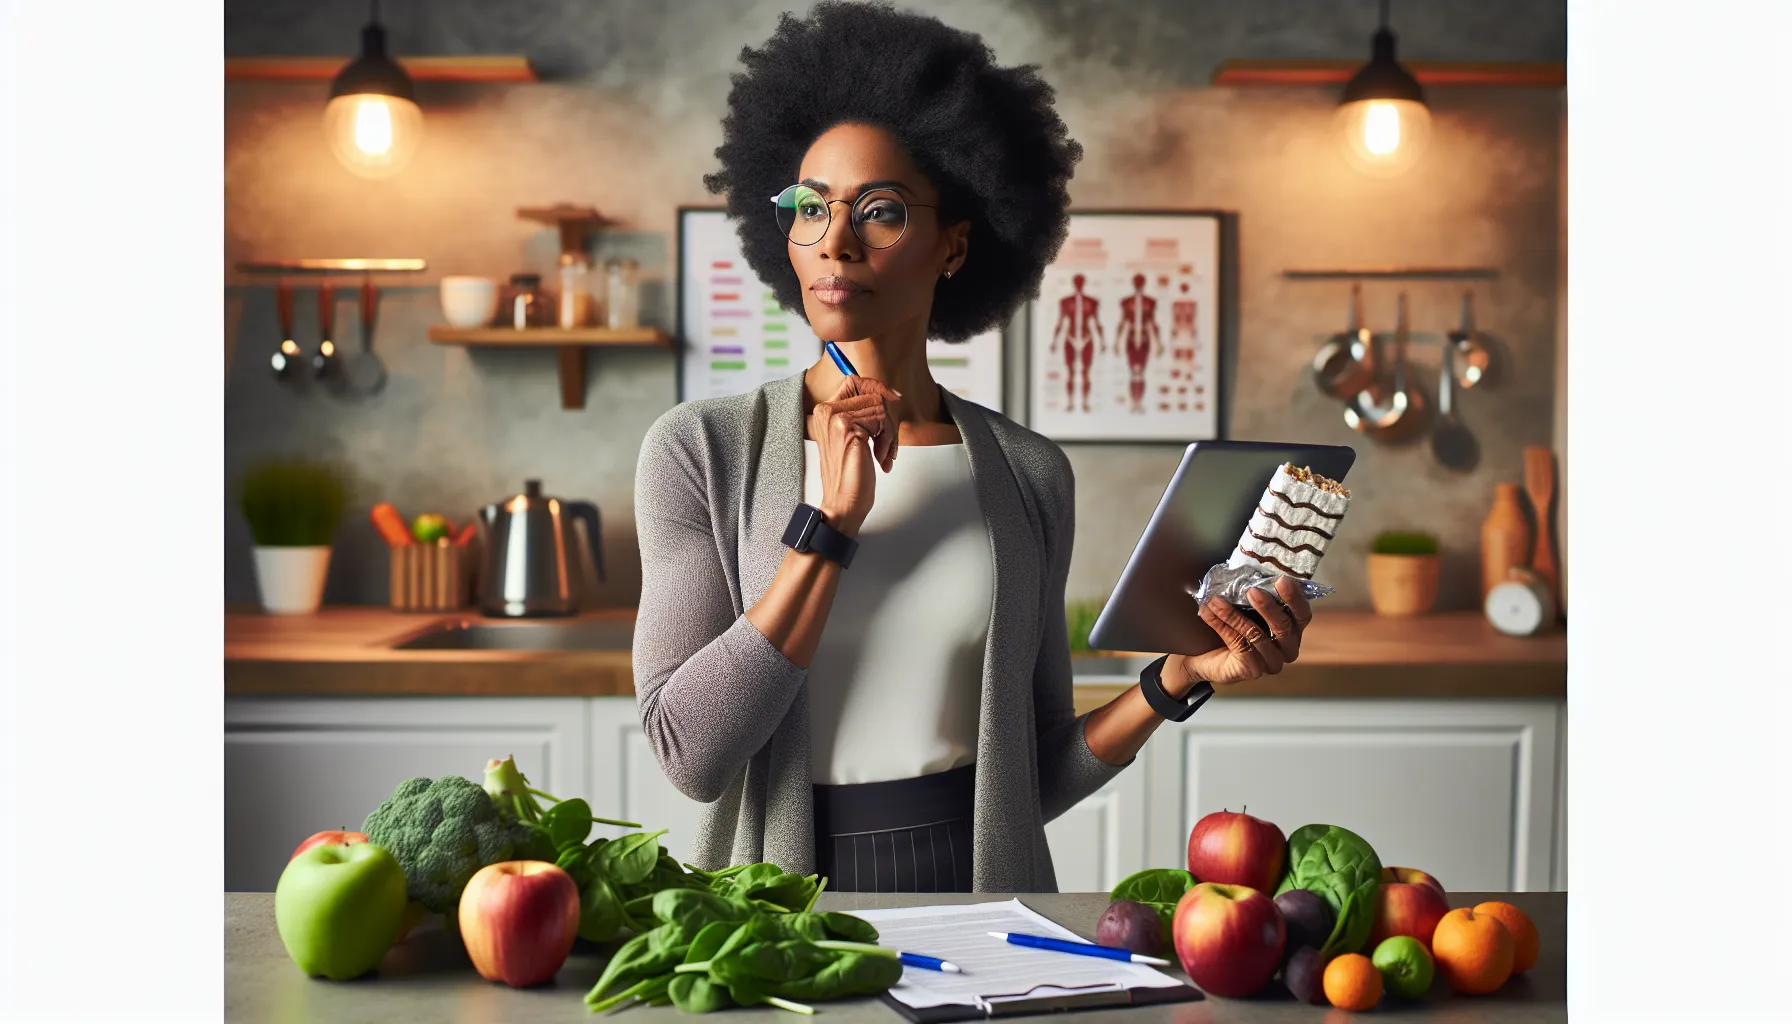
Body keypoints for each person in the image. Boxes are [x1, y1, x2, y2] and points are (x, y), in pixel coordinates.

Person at [633, 1, 1315, 894]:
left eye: (878, 211)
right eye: (808, 208)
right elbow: (690, 753)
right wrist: (828, 527)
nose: (834, 241)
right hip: (779, 907)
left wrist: (1178, 678)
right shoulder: (701, 451)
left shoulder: (1029, 474)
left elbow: (1028, 777)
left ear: (954, 244)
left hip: (984, 895)